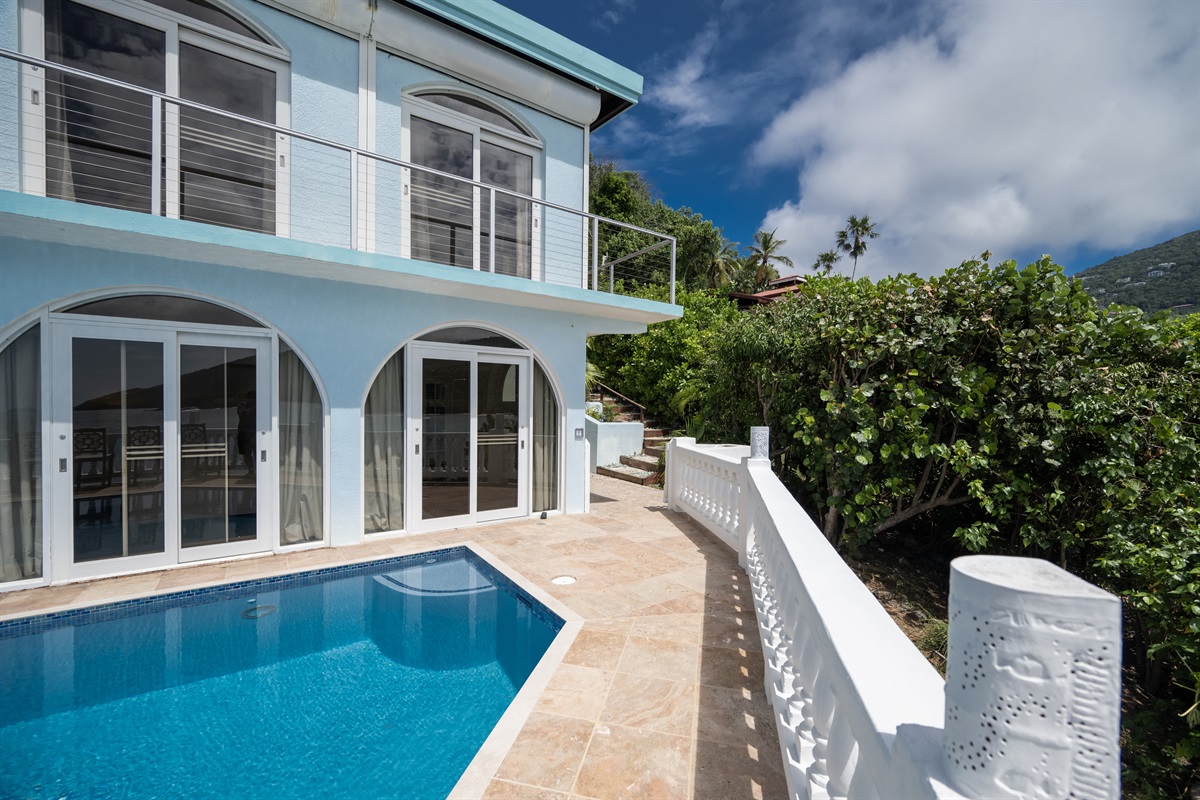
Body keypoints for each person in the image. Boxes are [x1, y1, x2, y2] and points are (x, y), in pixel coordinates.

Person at [236, 390, 256, 478]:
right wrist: (255, 407)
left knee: (258, 452)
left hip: (256, 431)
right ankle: (251, 471)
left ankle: (258, 470)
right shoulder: (242, 405)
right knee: (246, 452)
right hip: (245, 431)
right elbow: (244, 414)